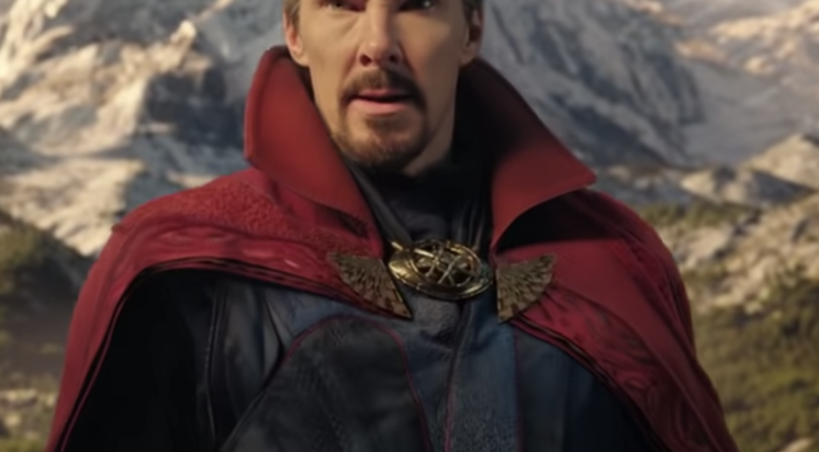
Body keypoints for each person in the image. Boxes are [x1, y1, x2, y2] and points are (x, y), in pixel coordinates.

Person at [45, 0, 739, 451]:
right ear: (294, 31)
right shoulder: (180, 278)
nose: (378, 44)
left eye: (417, 4)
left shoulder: (615, 263)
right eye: (344, 4)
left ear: (471, 29)